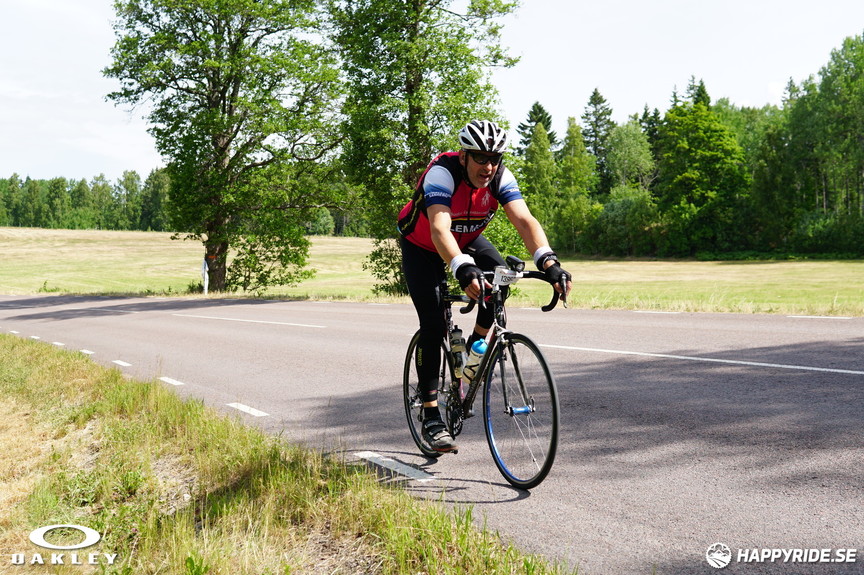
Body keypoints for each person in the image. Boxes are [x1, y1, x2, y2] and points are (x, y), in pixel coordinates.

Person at [397, 120, 572, 452]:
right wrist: (462, 267)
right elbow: (438, 227)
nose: (488, 167)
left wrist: (549, 262)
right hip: (423, 245)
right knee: (433, 324)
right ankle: (432, 415)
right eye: (480, 158)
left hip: (468, 236)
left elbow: (524, 219)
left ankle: (469, 363)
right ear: (464, 157)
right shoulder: (442, 173)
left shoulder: (500, 175)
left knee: (499, 280)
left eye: (495, 158)